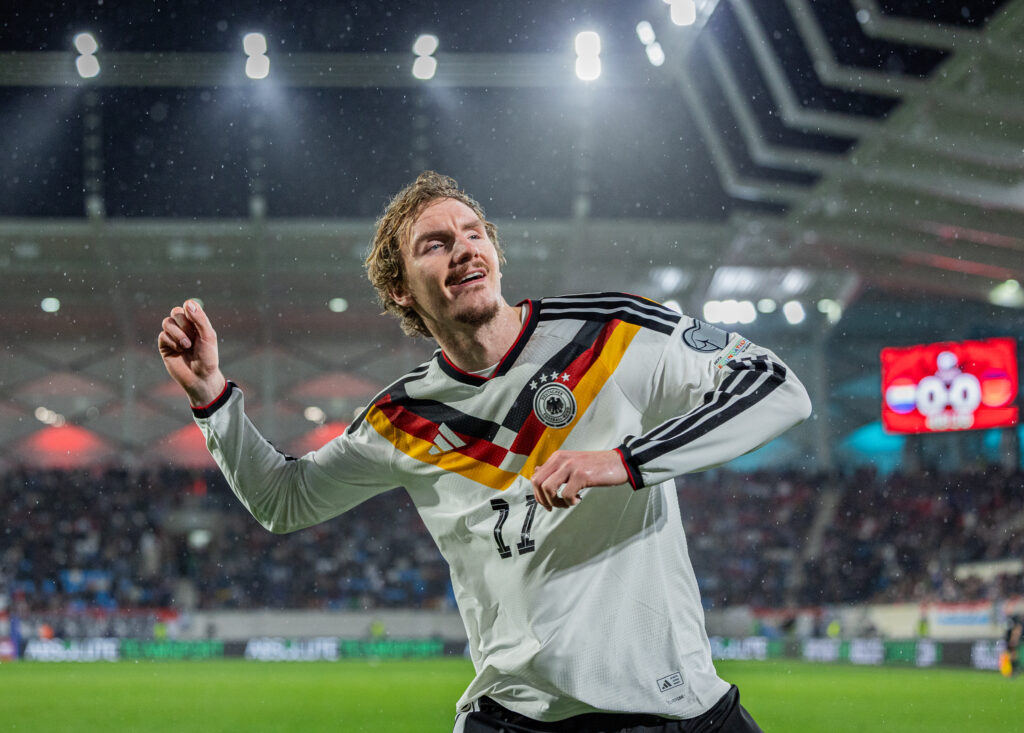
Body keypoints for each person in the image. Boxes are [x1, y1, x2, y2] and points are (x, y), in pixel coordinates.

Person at [158, 171, 812, 732]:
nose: (463, 249)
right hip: (517, 715)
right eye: (434, 244)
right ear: (401, 291)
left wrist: (626, 459)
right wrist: (212, 396)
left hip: (679, 709)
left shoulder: (609, 332)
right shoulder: (402, 420)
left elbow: (777, 387)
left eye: (472, 232)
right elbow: (284, 499)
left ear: (495, 252)